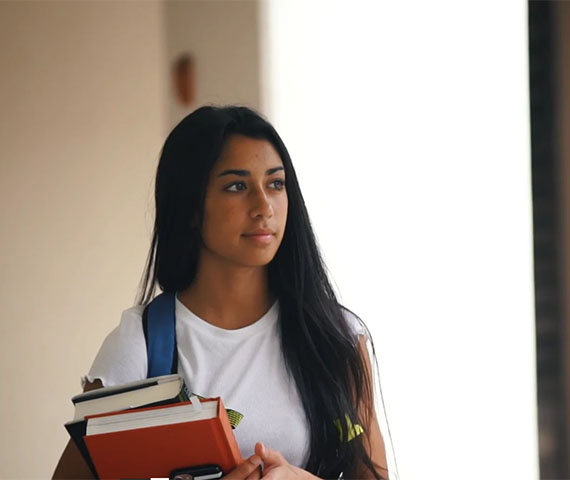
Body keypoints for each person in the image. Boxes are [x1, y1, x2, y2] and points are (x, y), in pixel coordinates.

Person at [53, 106, 389, 480]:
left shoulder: (335, 336)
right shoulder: (142, 345)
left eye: (275, 184)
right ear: (191, 207)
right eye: (237, 186)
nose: (264, 207)